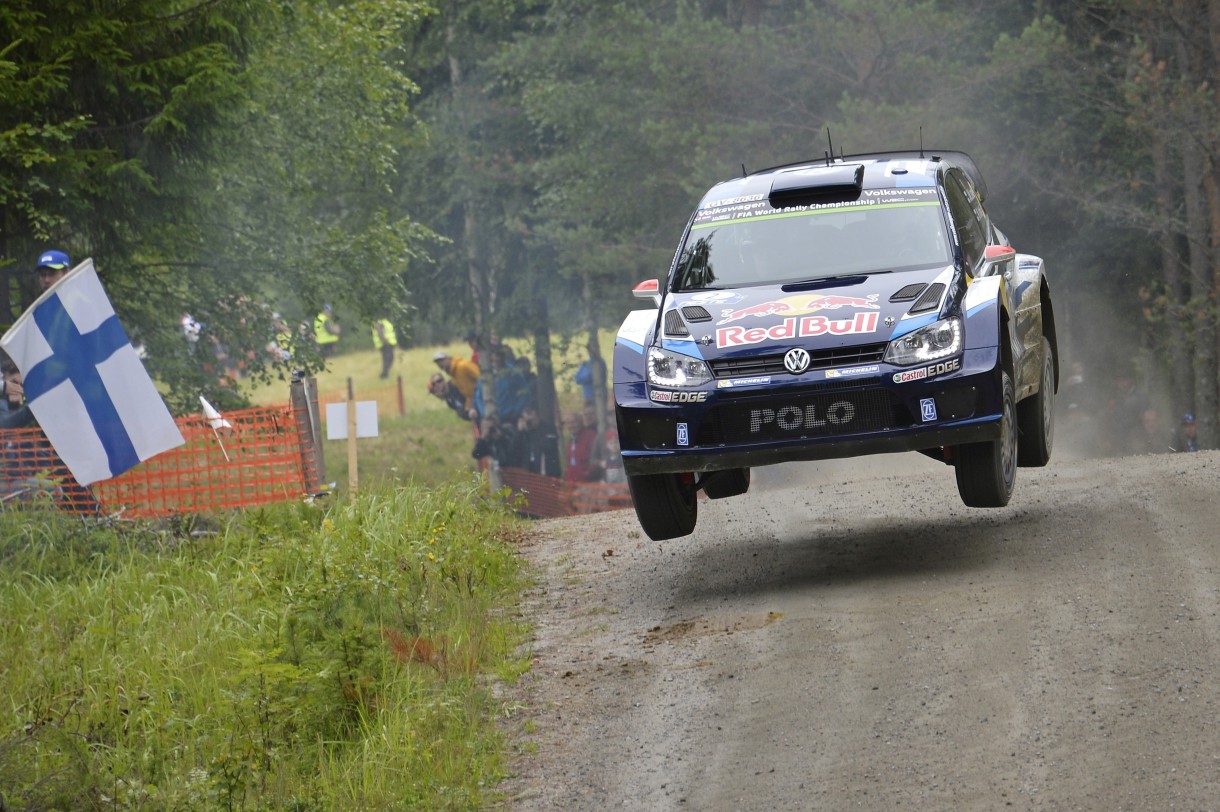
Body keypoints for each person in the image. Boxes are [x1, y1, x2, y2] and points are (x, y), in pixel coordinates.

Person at [472, 346, 530, 425]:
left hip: (509, 418)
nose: (497, 358)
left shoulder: (513, 373)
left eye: (499, 355)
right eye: (495, 355)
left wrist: (516, 410)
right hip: (491, 418)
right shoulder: (486, 374)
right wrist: (483, 412)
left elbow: (525, 392)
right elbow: (478, 396)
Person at [512, 405, 561, 476]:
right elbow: (513, 450)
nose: (529, 423)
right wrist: (519, 432)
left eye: (532, 420)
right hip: (529, 473)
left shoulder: (548, 428)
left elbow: (549, 445)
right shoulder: (523, 433)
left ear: (538, 417)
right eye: (527, 420)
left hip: (547, 473)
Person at [433, 351, 480, 417]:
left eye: (442, 360)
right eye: (438, 363)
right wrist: (467, 409)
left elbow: (481, 377)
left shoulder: (463, 366)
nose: (440, 364)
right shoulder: (453, 375)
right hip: (474, 402)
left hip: (482, 398)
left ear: (448, 358)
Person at [563, 411, 603, 482]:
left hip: (589, 482)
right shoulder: (571, 440)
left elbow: (596, 459)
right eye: (568, 423)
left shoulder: (591, 435)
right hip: (573, 484)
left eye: (574, 422)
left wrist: (586, 474)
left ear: (581, 422)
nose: (571, 425)